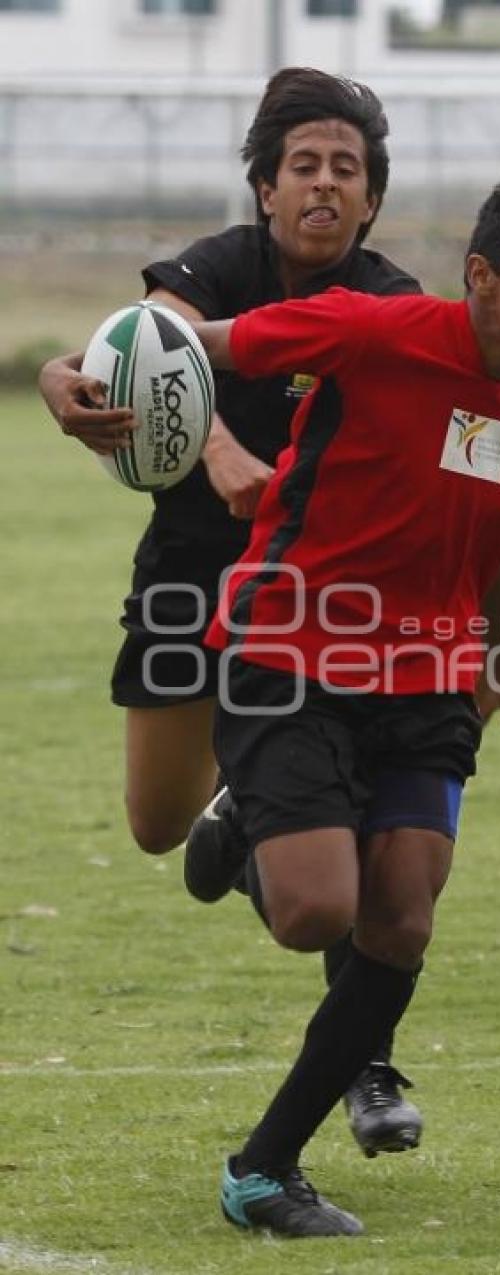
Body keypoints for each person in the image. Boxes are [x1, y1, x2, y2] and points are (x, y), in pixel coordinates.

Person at [187, 173, 500, 1239]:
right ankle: (248, 826)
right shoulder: (371, 332)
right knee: (314, 913)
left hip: (425, 671)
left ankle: (262, 1170)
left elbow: (499, 528)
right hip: (287, 646)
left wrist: (497, 650)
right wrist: (79, 367)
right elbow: (184, 347)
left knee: (401, 919)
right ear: (480, 275)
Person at [37, 66, 429, 1159]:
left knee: (341, 834)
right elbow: (143, 338)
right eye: (302, 165)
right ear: (265, 188)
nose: (322, 184)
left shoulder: (391, 306)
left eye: (345, 170)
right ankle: (232, 816)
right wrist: (72, 379)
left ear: (371, 200)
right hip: (190, 579)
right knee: (160, 824)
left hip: (319, 604)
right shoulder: (222, 267)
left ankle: (364, 1061)